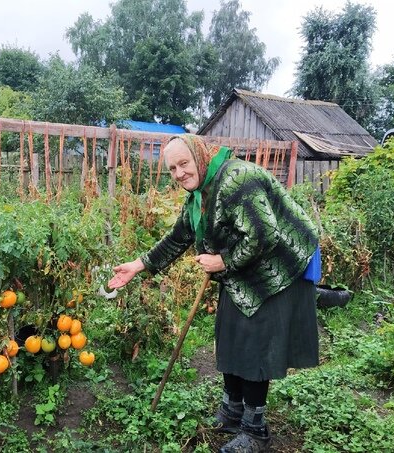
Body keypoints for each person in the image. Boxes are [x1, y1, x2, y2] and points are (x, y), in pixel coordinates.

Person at [107, 134, 320, 453]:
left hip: (280, 264)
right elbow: (179, 236)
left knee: (253, 346)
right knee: (229, 334)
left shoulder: (238, 180)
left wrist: (223, 259)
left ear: (199, 157)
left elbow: (265, 235)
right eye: (172, 169)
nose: (179, 173)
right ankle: (233, 412)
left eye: (183, 164)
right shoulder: (200, 194)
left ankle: (255, 430)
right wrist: (138, 265)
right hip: (245, 265)